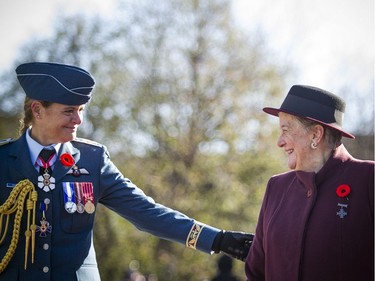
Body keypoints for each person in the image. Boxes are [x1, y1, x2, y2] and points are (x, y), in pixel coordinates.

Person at [0, 62, 253, 281]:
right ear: (37, 110)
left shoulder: (92, 160)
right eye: (68, 111)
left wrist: (217, 239)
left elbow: (146, 213)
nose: (78, 120)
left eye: (81, 111)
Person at [245, 85, 374, 281]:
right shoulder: (276, 187)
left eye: (285, 130)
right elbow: (256, 273)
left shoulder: (368, 178)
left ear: (316, 135)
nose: (279, 142)